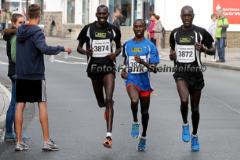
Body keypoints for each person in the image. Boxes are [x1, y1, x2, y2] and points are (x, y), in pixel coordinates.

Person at [15, 4, 72, 151]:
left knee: (20, 105)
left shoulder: (20, 30)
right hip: (35, 75)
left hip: (21, 74)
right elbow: (44, 48)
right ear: (38, 15)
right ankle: (47, 141)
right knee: (42, 104)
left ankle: (19, 142)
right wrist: (61, 48)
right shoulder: (37, 32)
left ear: (27, 15)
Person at [169, 5, 215, 152]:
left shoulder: (200, 32)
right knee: (184, 100)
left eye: (189, 15)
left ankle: (195, 135)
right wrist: (172, 55)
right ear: (181, 16)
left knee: (195, 109)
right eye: (184, 16)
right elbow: (172, 48)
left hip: (196, 74)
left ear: (193, 16)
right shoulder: (175, 33)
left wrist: (204, 49)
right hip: (181, 73)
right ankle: (185, 124)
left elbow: (214, 49)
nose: (187, 18)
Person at [77, 5, 121, 149]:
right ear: (96, 14)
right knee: (101, 102)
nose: (102, 15)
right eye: (100, 13)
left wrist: (115, 54)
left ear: (108, 14)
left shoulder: (114, 29)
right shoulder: (88, 29)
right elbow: (79, 47)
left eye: (104, 13)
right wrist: (86, 52)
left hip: (108, 68)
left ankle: (109, 136)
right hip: (94, 69)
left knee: (109, 99)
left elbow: (119, 47)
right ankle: (106, 107)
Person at [121, 19, 160, 151]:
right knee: (134, 100)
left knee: (145, 112)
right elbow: (125, 62)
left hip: (145, 82)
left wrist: (143, 63)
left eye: (141, 26)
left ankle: (143, 136)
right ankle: (135, 121)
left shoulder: (150, 46)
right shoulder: (127, 45)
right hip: (132, 80)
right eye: (136, 26)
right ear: (133, 28)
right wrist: (123, 71)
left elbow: (154, 69)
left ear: (145, 28)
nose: (138, 29)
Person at [3, 13, 25, 142]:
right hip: (17, 72)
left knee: (17, 102)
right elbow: (15, 56)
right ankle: (11, 132)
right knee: (16, 103)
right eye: (20, 22)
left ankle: (15, 132)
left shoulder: (12, 34)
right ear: (14, 23)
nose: (23, 24)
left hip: (14, 71)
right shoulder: (16, 36)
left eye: (24, 22)